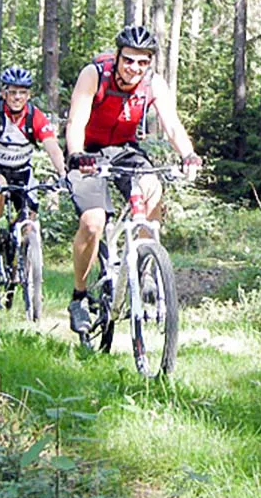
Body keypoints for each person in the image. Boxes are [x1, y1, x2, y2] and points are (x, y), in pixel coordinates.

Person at [63, 26, 201, 335]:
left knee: (153, 189)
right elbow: (76, 121)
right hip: (88, 151)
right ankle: (79, 297)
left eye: (142, 62)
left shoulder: (153, 83)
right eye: (128, 60)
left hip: (125, 150)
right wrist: (77, 154)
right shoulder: (95, 74)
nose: (134, 68)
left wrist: (188, 154)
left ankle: (146, 267)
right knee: (93, 223)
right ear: (117, 56)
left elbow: (172, 126)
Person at [0, 67, 67, 307]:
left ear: (29, 95)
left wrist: (63, 174)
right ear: (4, 93)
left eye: (22, 93)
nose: (17, 97)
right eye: (13, 92)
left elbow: (52, 147)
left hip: (23, 171)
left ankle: (23, 268)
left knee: (30, 219)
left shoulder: (35, 116)